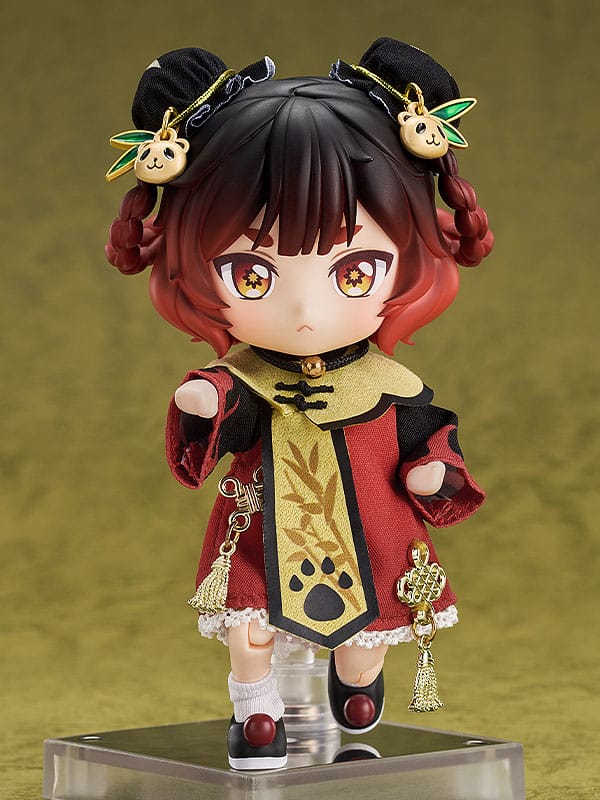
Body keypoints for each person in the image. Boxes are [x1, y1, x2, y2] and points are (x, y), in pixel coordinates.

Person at [106, 37, 493, 770]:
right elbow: (228, 410)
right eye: (252, 276)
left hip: (372, 523)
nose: (307, 312)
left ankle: (359, 675)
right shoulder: (248, 376)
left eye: (355, 273)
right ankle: (255, 709)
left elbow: (427, 433)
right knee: (248, 624)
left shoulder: (387, 384)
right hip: (263, 525)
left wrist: (434, 470)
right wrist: (205, 399)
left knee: (368, 626)